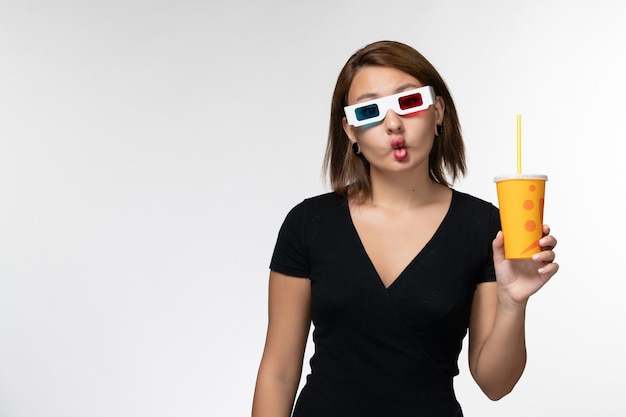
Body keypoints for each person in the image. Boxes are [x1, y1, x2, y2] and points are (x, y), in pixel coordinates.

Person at [251, 40, 559, 417]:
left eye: (409, 102)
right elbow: (278, 373)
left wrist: (513, 303)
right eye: (369, 111)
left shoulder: (484, 226)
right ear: (350, 131)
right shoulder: (308, 224)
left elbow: (495, 384)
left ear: (438, 111)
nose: (393, 123)